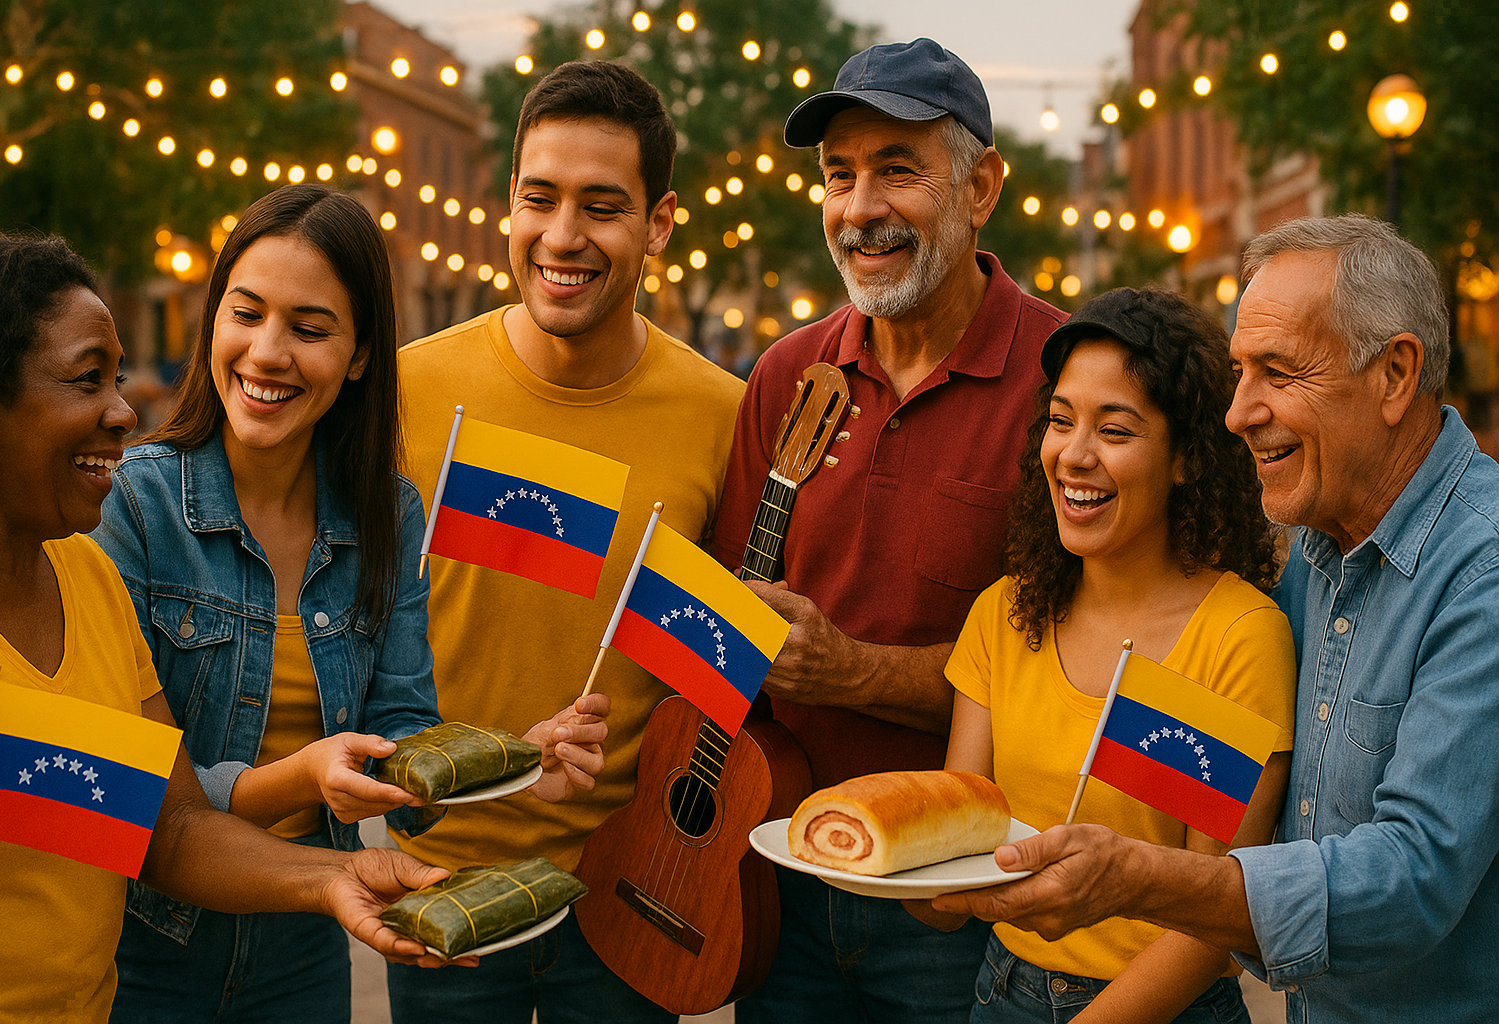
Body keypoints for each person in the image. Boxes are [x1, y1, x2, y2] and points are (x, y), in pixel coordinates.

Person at [932, 214, 1499, 1024]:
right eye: (1239, 372)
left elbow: (1413, 878)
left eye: (1277, 371)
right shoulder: (1311, 554)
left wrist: (1139, 878)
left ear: (1395, 374)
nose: (1237, 412)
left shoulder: (1483, 575)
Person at [88, 185, 609, 1023]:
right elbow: (136, 794)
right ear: (212, 319)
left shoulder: (389, 515)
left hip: (309, 945)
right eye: (245, 314)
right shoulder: (134, 506)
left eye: (309, 328)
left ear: (362, 353)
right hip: (145, 944)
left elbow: (399, 729)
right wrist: (305, 776)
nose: (266, 353)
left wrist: (512, 761)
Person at [0, 231, 454, 1024]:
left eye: (117, 380)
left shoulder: (85, 577)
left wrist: (332, 881)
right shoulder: (135, 511)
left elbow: (170, 826)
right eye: (89, 379)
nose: (125, 411)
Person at [708, 37, 1066, 1024]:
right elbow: (731, 618)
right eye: (839, 174)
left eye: (896, 170)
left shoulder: (1064, 385)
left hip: (961, 901)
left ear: (982, 185)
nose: (861, 206)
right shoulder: (784, 374)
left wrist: (853, 670)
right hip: (784, 875)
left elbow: (1078, 671)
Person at [389, 62, 745, 1023]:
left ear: (660, 224)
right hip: (440, 880)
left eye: (602, 206)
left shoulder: (725, 415)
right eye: (539, 198)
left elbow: (722, 663)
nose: (563, 236)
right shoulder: (409, 388)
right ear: (509, 202)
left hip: (625, 897)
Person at [937, 287, 1295, 1023]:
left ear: (1188, 459)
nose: (1075, 455)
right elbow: (958, 836)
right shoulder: (1004, 612)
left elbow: (1212, 919)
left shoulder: (1240, 634)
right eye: (1061, 421)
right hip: (1000, 992)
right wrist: (899, 875)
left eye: (1117, 431)